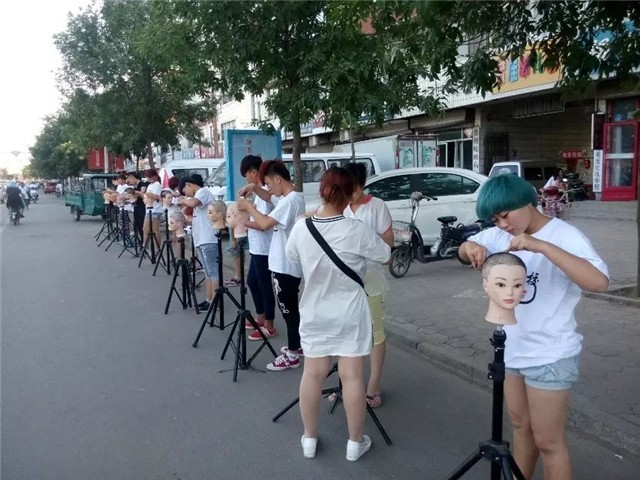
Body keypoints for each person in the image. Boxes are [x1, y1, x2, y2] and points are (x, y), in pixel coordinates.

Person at [459, 173, 609, 480]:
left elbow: (599, 282)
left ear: (526, 202)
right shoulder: (499, 235)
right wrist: (469, 247)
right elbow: (467, 248)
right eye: (495, 219)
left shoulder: (565, 236)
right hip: (512, 352)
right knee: (521, 430)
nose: (502, 225)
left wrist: (540, 246)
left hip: (550, 356)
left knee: (549, 443)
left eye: (505, 215)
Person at [285, 166, 391, 461]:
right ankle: (355, 444)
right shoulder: (356, 229)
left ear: (322, 192)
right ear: (348, 196)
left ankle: (309, 439)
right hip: (349, 314)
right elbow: (385, 255)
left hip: (314, 312)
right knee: (352, 377)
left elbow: (292, 256)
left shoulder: (302, 228)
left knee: (312, 374)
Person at [237, 160, 305, 371]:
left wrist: (248, 207)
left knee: (288, 310)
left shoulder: (290, 201)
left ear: (278, 179)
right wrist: (254, 187)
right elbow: (270, 197)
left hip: (285, 265)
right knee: (290, 308)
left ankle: (292, 355)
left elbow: (265, 223)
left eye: (268, 183)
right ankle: (297, 346)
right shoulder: (289, 198)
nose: (268, 189)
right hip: (285, 263)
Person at [342, 162, 394, 409]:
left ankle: (373, 385)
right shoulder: (339, 206)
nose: (349, 194)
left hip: (370, 278)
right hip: (343, 280)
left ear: (361, 185)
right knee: (347, 333)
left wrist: (364, 238)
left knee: (375, 333)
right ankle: (348, 384)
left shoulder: (376, 206)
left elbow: (388, 243)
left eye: (352, 189)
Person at [238, 155, 276, 342]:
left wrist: (244, 222)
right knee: (253, 282)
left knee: (264, 285)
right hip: (256, 247)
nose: (246, 180)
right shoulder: (259, 193)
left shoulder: (267, 193)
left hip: (265, 248)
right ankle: (260, 318)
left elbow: (264, 224)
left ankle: (269, 325)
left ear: (254, 173)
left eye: (246, 175)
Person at [178, 174, 219, 311]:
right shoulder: (198, 196)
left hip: (209, 239)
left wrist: (183, 200)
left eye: (185, 191)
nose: (186, 195)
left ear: (188, 185)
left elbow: (192, 203)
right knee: (207, 272)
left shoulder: (202, 192)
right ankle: (209, 299)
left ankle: (215, 301)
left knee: (213, 272)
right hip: (201, 239)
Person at [142, 169, 163, 247]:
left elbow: (155, 196)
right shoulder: (150, 185)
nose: (148, 179)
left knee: (155, 230)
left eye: (149, 177)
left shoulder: (157, 185)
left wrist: (148, 195)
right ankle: (145, 245)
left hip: (155, 210)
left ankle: (157, 247)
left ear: (154, 176)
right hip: (148, 209)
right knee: (145, 229)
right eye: (147, 177)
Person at [126, 172, 149, 244]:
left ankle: (144, 242)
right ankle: (141, 241)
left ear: (133, 178)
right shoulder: (135, 187)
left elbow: (145, 196)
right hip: (136, 208)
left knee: (142, 226)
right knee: (137, 225)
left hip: (142, 208)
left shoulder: (143, 185)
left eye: (130, 181)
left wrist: (139, 193)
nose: (130, 183)